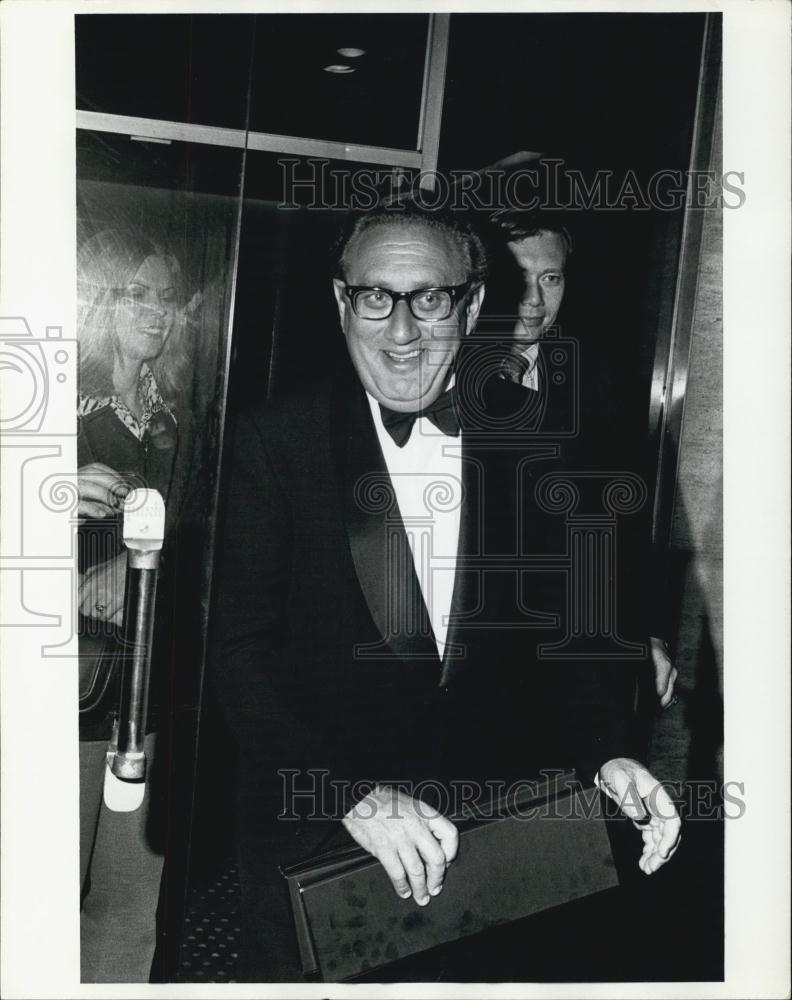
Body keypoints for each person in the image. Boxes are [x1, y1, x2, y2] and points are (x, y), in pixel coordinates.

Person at [210, 203, 681, 982]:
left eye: (429, 299)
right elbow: (235, 655)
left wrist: (606, 753)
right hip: (327, 844)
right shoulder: (273, 442)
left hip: (490, 854)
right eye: (375, 298)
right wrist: (351, 795)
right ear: (340, 301)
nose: (400, 334)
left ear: (471, 305)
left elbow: (576, 633)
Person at [488, 209, 678, 709]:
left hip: (574, 670)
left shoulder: (595, 380)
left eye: (550, 278)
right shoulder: (434, 379)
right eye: (517, 277)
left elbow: (625, 521)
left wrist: (645, 633)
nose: (533, 301)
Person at [76, 227, 191, 982]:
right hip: (58, 684)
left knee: (127, 906)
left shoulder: (177, 419)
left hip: (144, 690)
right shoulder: (41, 401)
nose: (159, 312)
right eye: (136, 293)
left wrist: (146, 564)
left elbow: (216, 539)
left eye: (168, 297)